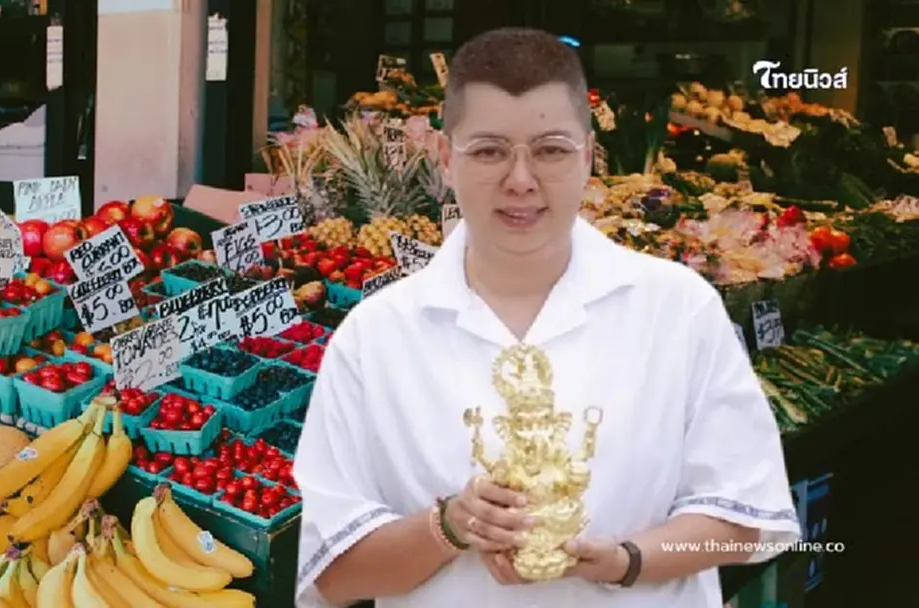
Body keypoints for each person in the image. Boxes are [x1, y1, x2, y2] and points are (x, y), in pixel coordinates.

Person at [293, 27, 800, 607]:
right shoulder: (376, 336)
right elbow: (333, 576)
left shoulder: (679, 308)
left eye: (551, 150)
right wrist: (449, 526)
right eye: (489, 150)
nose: (521, 180)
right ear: (446, 158)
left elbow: (743, 523)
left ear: (588, 156)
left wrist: (625, 561)